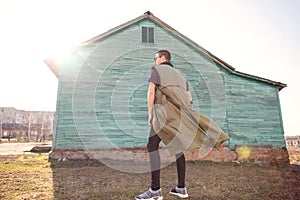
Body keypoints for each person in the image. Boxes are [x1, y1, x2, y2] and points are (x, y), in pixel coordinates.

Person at [135, 50, 229, 200]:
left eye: (155, 58)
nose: (154, 62)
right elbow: (188, 97)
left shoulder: (157, 70)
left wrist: (151, 114)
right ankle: (181, 187)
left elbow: (151, 92)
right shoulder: (181, 76)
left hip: (163, 115)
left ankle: (155, 190)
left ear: (162, 58)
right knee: (179, 148)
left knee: (152, 146)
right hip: (179, 116)